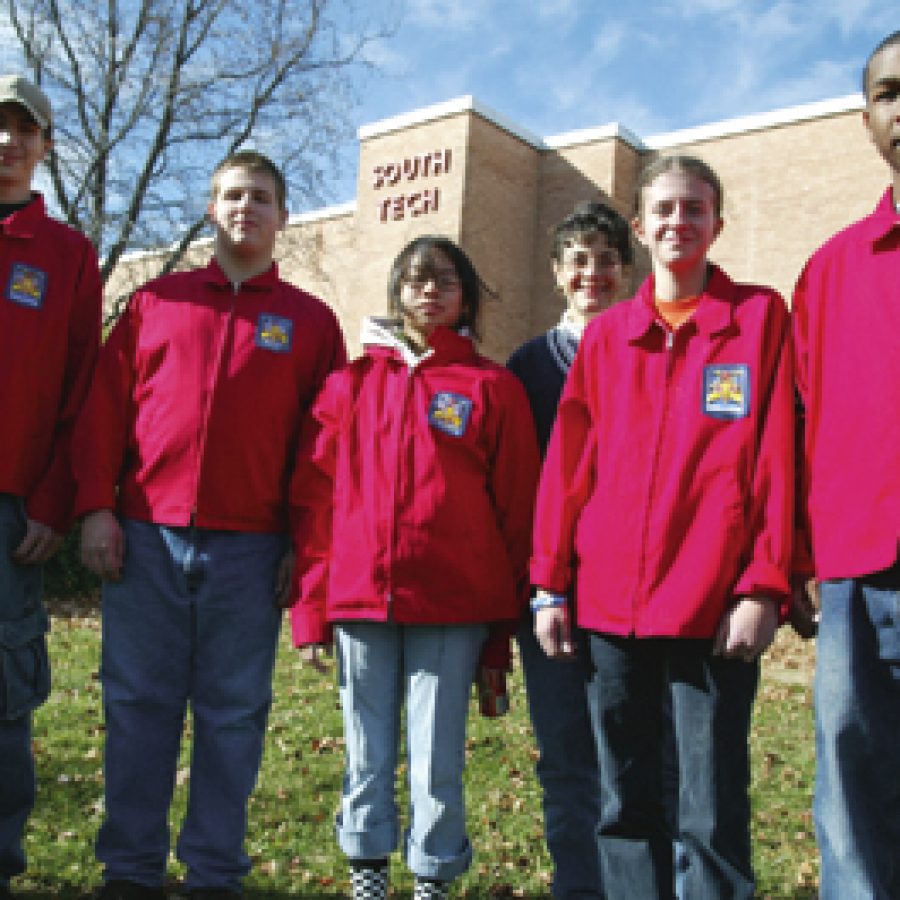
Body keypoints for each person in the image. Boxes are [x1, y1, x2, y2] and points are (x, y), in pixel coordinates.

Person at [72, 150, 346, 899]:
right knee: (136, 708)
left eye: (261, 197)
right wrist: (97, 505)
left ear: (282, 217)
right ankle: (129, 869)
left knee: (232, 717)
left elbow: (320, 449)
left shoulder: (311, 324)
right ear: (209, 209)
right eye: (231, 195)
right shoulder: (154, 304)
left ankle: (213, 875)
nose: (245, 207)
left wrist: (302, 542)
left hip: (251, 550)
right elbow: (103, 414)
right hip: (145, 538)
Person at [531, 155, 794, 899]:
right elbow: (567, 469)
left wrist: (765, 585)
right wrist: (549, 584)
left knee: (710, 806)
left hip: (714, 607)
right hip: (611, 607)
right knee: (625, 803)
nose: (680, 222)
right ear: (641, 227)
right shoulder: (609, 337)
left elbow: (777, 457)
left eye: (695, 208)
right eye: (665, 210)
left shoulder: (759, 319)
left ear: (717, 223)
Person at [289, 236, 539, 900]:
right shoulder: (349, 385)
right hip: (359, 604)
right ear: (397, 291)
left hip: (453, 609)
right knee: (366, 756)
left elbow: (517, 512)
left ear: (465, 297)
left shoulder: (494, 388)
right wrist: (310, 609)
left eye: (446, 280)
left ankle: (433, 875)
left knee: (436, 761)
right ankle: (366, 871)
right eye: (417, 279)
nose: (430, 290)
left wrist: (500, 628)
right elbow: (316, 502)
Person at [792, 30, 900, 900]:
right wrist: (799, 556)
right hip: (856, 571)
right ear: (867, 118)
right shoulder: (829, 272)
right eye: (889, 93)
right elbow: (799, 426)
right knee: (852, 786)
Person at [507, 202, 632, 899]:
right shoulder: (528, 367)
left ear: (624, 269)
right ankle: (579, 888)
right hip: (551, 592)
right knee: (566, 758)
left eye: (606, 259)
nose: (593, 273)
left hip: (632, 592)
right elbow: (517, 483)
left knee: (637, 756)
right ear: (557, 273)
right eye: (579, 260)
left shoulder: (647, 350)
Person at [0, 74, 102, 897]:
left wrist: (53, 500)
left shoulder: (67, 254)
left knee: (3, 693)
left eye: (22, 130)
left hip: (13, 511)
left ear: (45, 143)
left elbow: (82, 388)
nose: (7, 142)